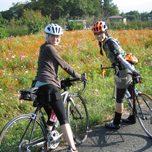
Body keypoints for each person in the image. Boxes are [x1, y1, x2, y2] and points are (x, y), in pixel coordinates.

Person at [33, 23, 86, 152]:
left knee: (52, 115)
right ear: (47, 36)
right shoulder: (50, 48)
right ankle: (72, 149)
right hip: (49, 86)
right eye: (52, 36)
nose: (55, 39)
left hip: (39, 86)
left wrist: (58, 81)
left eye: (58, 37)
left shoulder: (43, 48)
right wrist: (79, 76)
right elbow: (64, 65)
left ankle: (45, 145)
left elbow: (47, 69)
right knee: (63, 119)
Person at [92, 21, 141, 129]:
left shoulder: (110, 42)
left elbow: (121, 58)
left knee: (119, 98)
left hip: (125, 70)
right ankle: (133, 116)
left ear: (105, 31)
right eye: (96, 34)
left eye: (101, 33)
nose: (99, 36)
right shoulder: (105, 42)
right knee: (131, 93)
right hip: (125, 69)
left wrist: (133, 71)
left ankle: (116, 123)